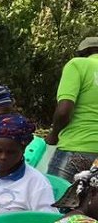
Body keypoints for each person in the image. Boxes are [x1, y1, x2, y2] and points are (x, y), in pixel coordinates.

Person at [46, 38, 98, 181]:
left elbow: (64, 110)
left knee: (58, 199)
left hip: (76, 148)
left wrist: (54, 134)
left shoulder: (78, 64)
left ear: (83, 52)